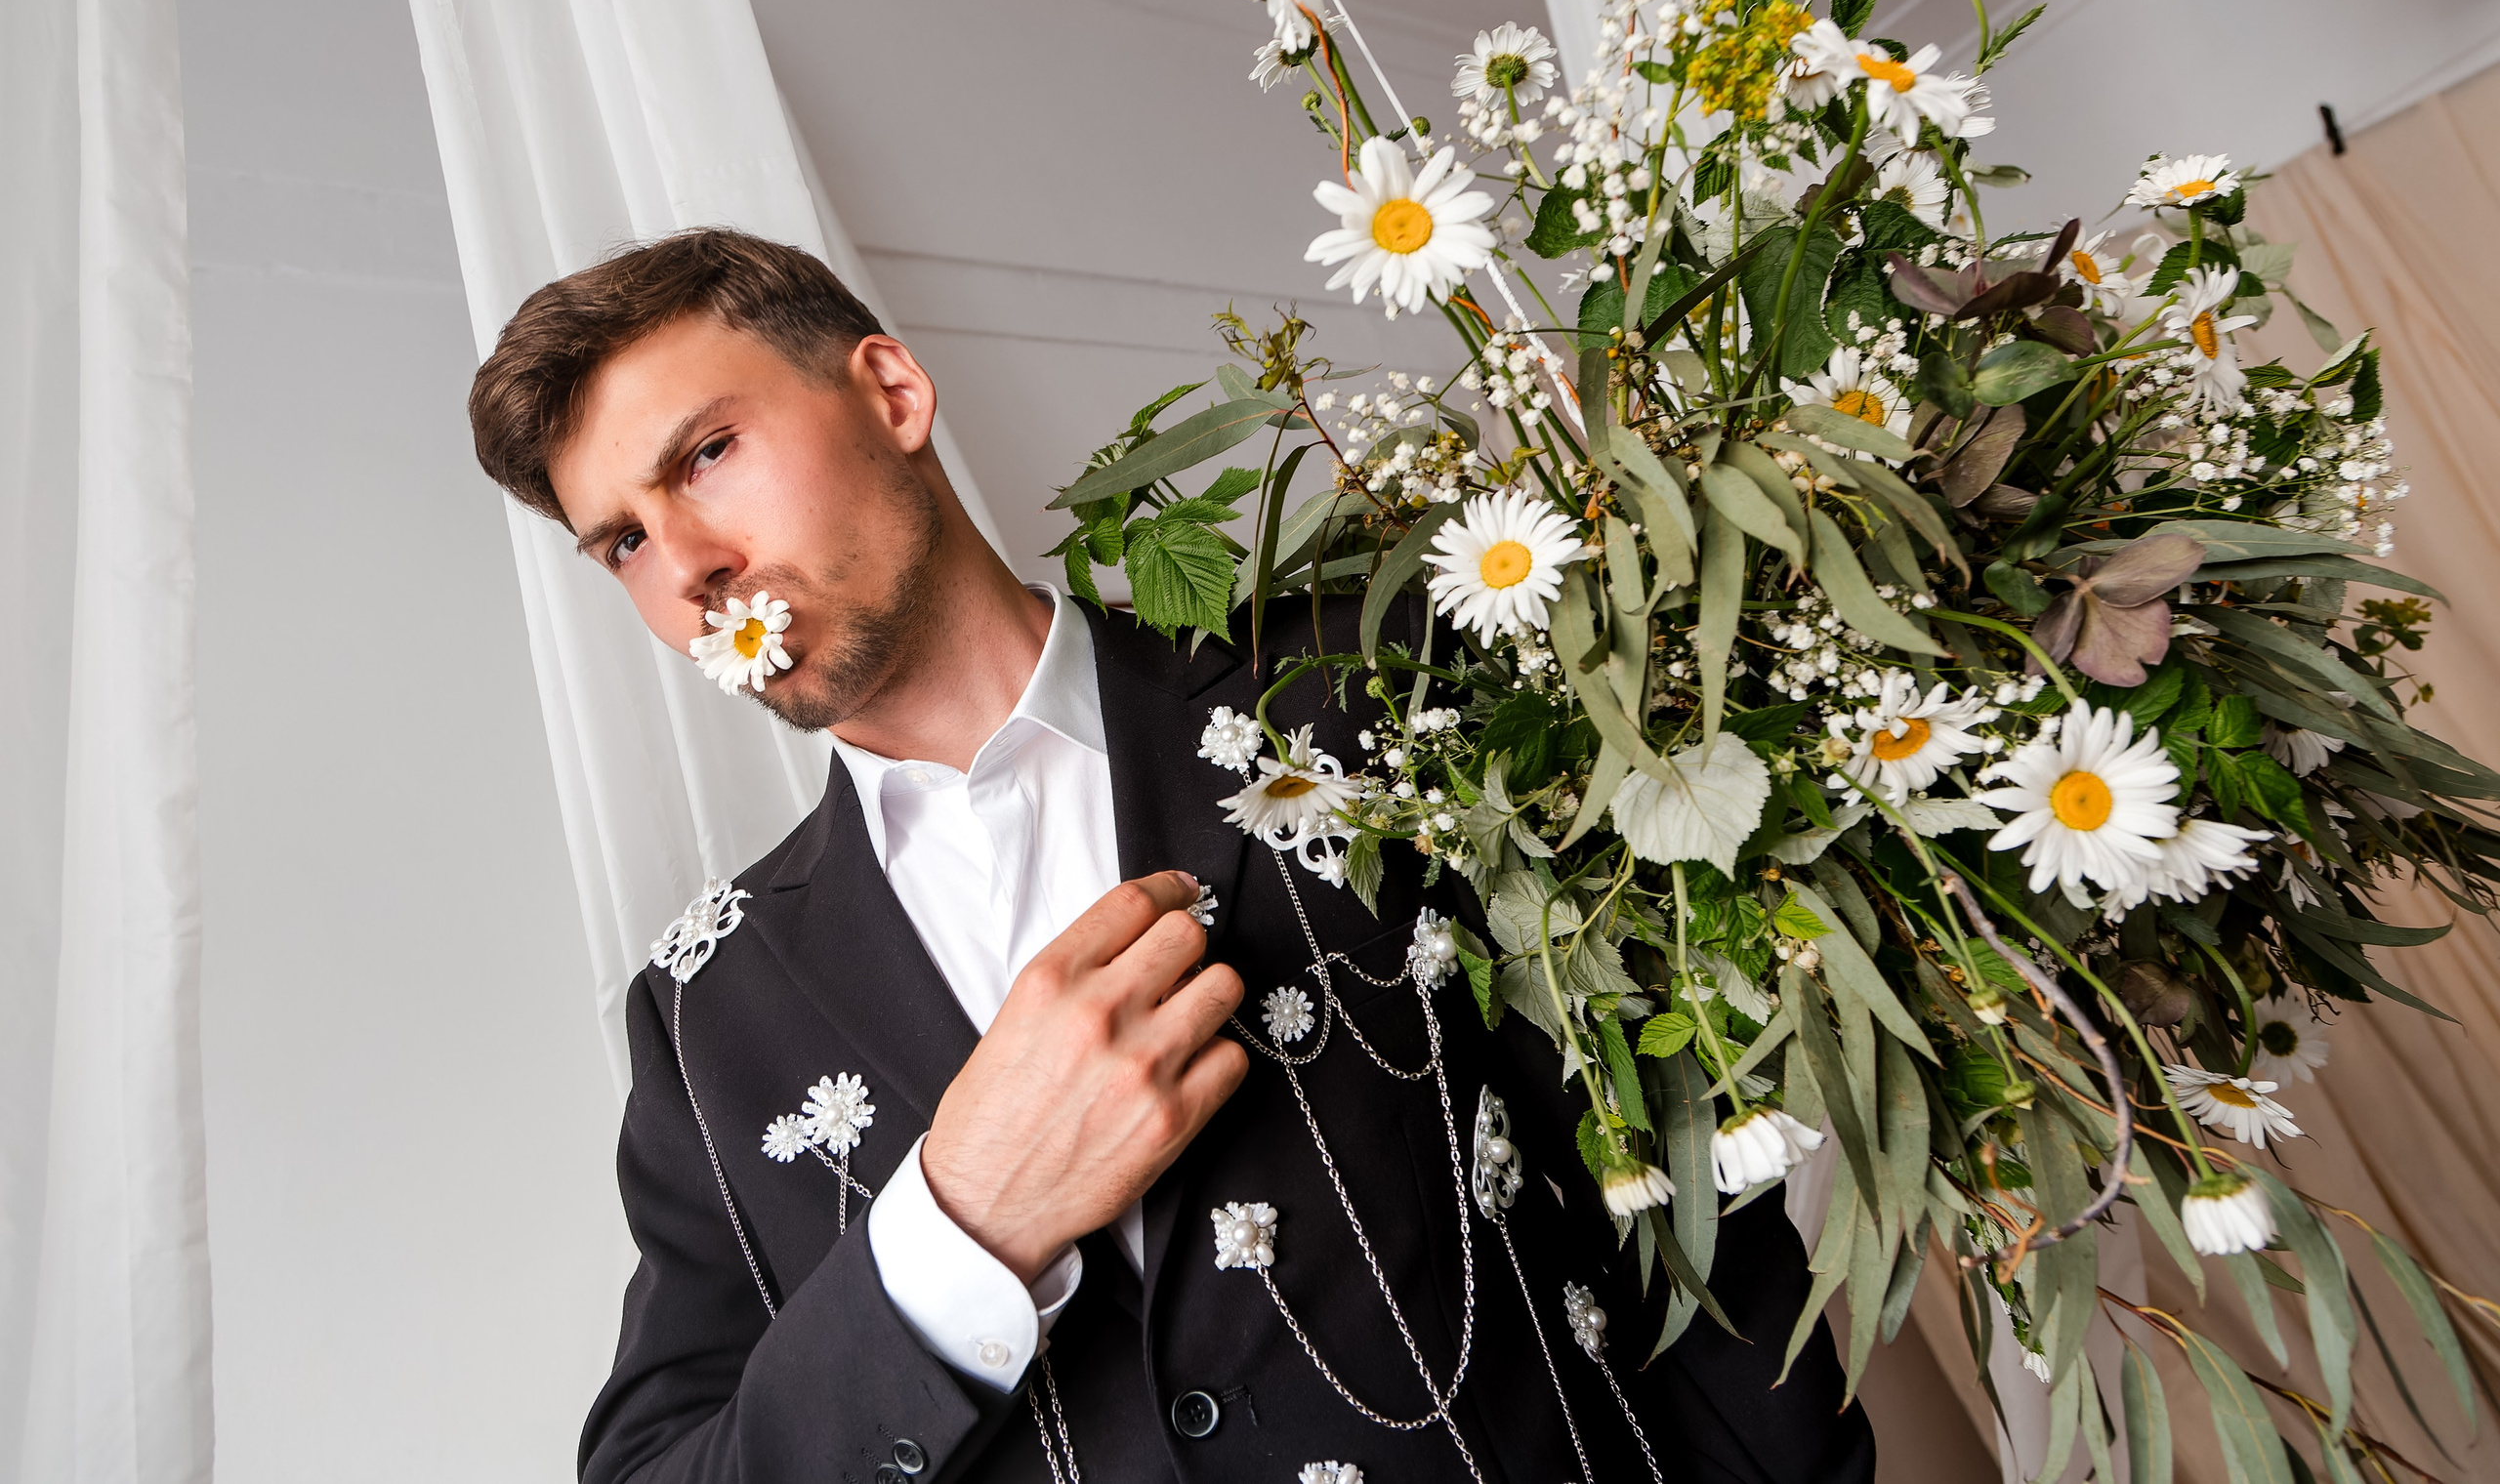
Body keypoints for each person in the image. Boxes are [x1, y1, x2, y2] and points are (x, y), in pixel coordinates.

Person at [469, 228, 1875, 1484]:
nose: (687, 564)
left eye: (706, 454)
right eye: (623, 543)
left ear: (891, 393)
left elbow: (1695, 1205)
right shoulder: (705, 1012)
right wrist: (958, 1233)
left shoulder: (1365, 687)